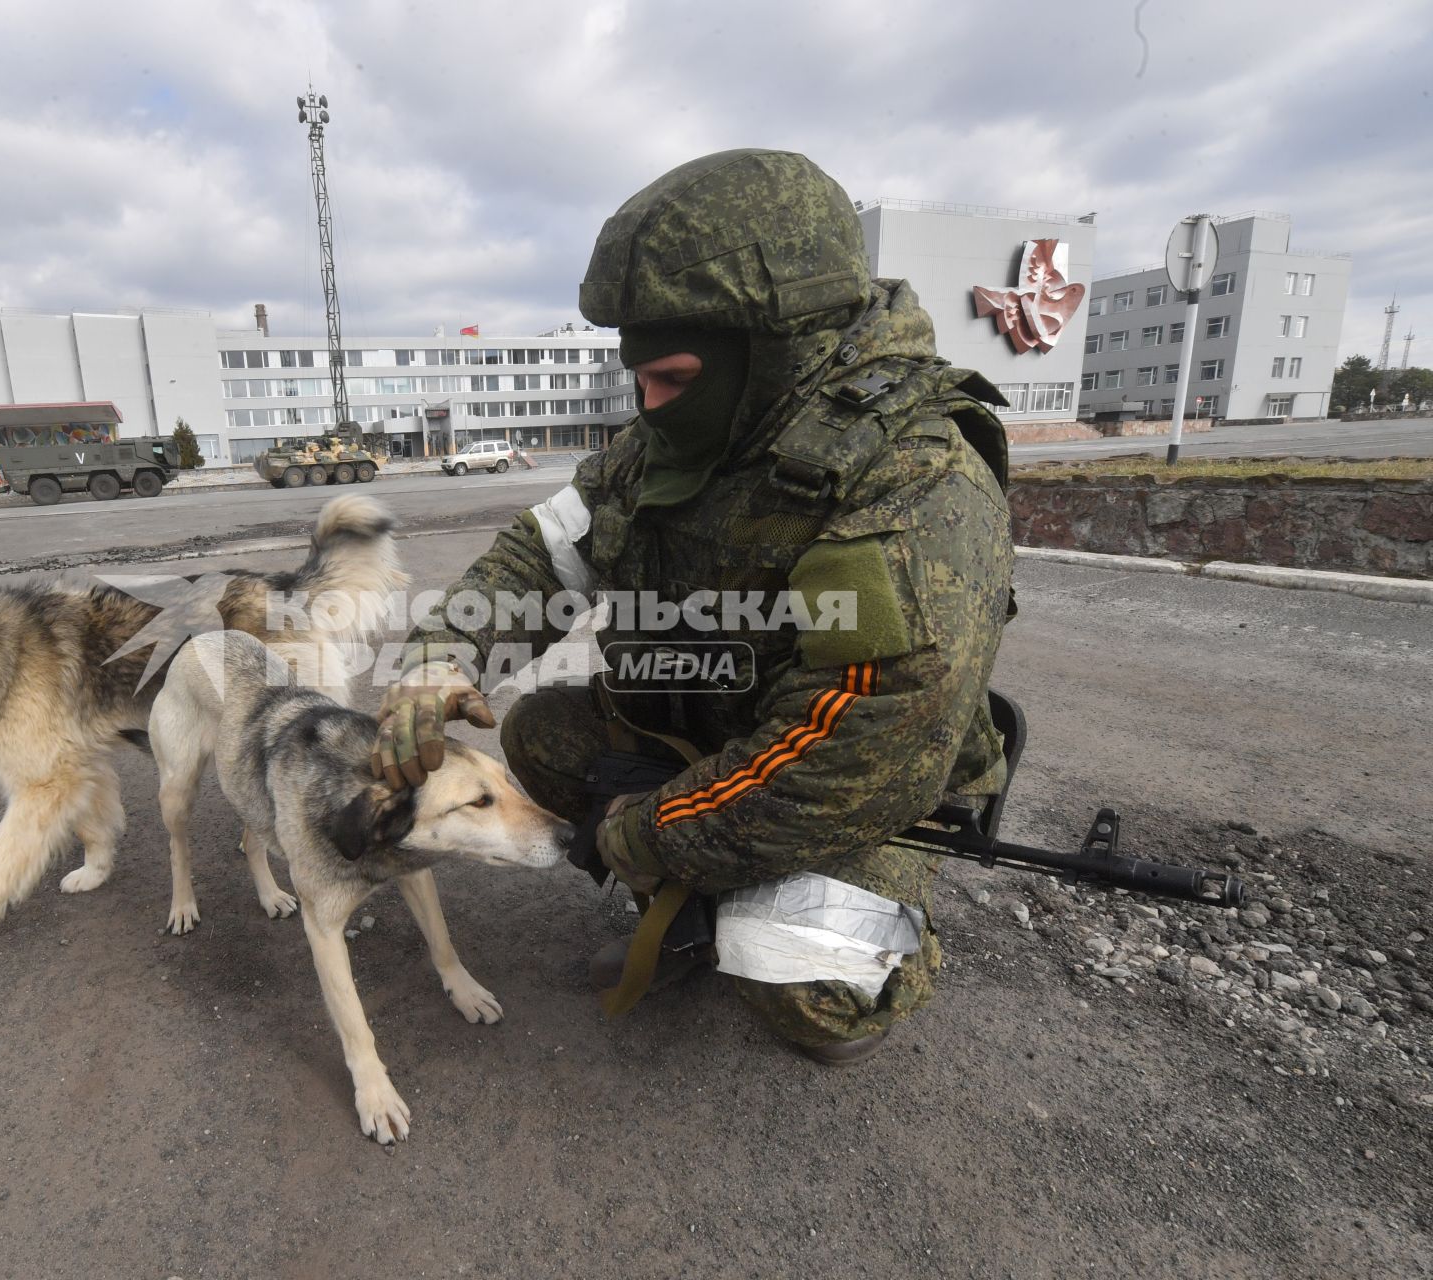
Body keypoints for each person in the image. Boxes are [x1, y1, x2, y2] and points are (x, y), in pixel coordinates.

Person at [372, 149, 1015, 1065]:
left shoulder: (911, 479)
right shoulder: (678, 440)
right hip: (707, 734)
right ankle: (701, 883)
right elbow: (544, 556)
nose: (648, 405)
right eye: (640, 378)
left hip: (844, 782)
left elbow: (860, 742)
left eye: (673, 378)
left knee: (814, 984)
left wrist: (648, 832)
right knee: (540, 736)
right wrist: (444, 655)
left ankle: (818, 919)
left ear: (773, 351)